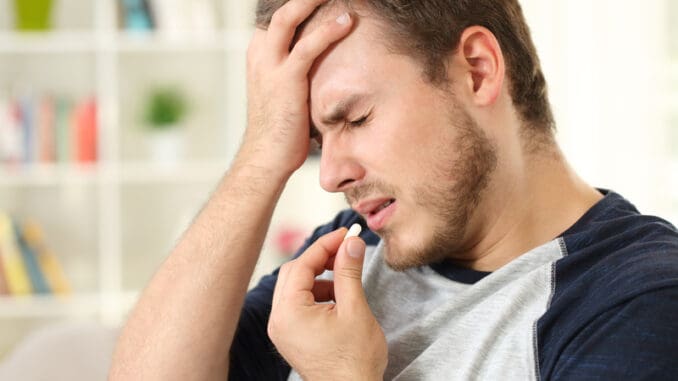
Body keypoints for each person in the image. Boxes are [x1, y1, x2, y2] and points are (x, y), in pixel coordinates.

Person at [109, 0, 678, 379]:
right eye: (313, 139)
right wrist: (261, 153)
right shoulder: (353, 254)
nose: (329, 176)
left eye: (354, 120)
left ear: (477, 71)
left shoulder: (639, 301)